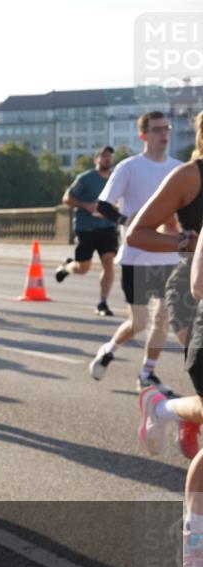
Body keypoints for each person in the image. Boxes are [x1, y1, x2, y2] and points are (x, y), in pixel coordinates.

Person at [126, 111, 203, 567]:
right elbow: (136, 231)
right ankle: (195, 536)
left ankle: (161, 409)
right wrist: (180, 240)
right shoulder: (190, 175)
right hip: (193, 294)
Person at [88, 112, 183, 398]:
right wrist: (130, 221)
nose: (163, 134)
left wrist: (177, 225)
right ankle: (109, 349)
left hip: (168, 255)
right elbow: (103, 205)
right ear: (142, 136)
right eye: (156, 130)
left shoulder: (179, 168)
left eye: (166, 128)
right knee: (139, 323)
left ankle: (146, 374)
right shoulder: (129, 167)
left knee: (163, 320)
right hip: (137, 255)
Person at [56, 146, 117, 316]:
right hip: (86, 228)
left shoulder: (115, 179)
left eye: (110, 156)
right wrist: (86, 205)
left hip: (108, 228)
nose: (107, 159)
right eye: (103, 156)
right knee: (83, 268)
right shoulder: (85, 178)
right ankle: (67, 267)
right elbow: (67, 198)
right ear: (96, 159)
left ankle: (102, 302)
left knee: (108, 261)